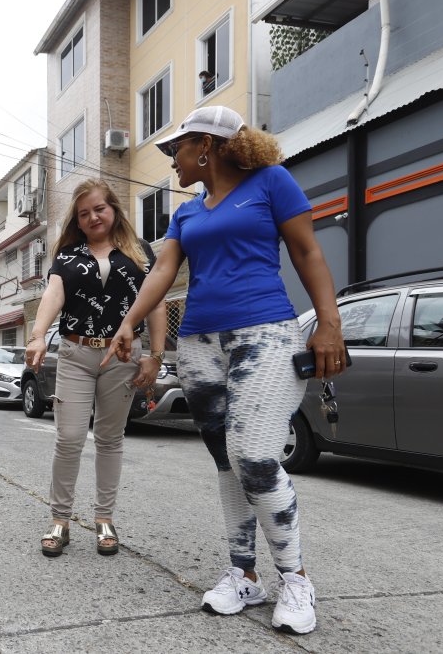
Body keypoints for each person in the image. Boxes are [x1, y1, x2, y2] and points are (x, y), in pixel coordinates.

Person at [103, 106, 347, 634]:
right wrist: (130, 322)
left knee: (255, 456)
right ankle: (244, 574)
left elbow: (308, 253)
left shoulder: (271, 183)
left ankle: (296, 578)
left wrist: (328, 323)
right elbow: (163, 270)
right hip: (199, 342)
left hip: (265, 333)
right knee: (224, 460)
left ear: (206, 146)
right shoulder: (188, 213)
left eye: (177, 149)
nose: (172, 160)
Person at [24, 179, 168, 559]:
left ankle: (104, 519)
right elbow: (54, 293)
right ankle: (60, 520)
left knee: (110, 438)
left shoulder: (140, 252)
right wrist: (38, 335)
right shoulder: (69, 255)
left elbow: (155, 302)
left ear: (114, 209)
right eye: (84, 213)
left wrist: (155, 355)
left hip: (123, 356)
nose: (92, 217)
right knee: (69, 438)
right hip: (76, 352)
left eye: (99, 209)